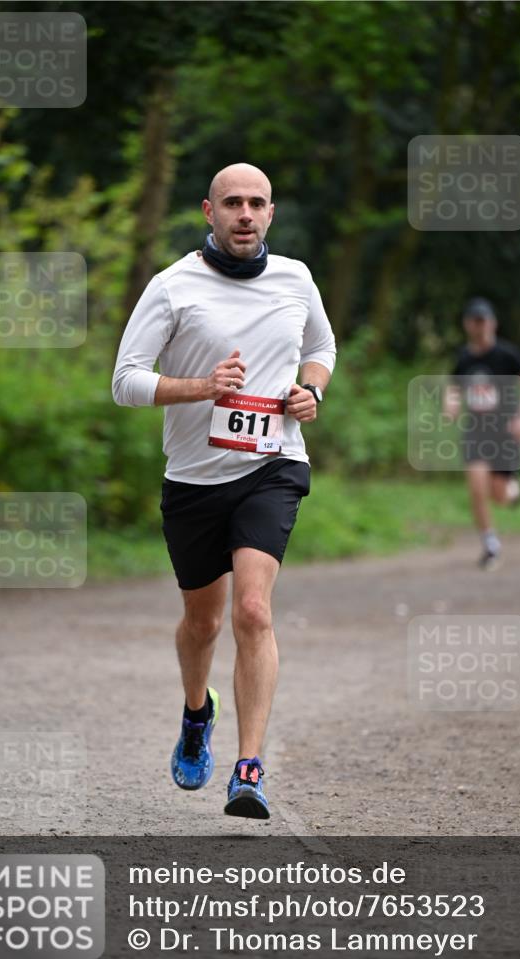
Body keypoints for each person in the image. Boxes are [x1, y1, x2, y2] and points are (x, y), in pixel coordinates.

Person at [112, 163, 335, 819]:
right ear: (209, 212)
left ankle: (249, 768)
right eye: (232, 202)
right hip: (193, 479)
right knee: (203, 622)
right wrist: (201, 388)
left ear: (270, 214)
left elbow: (322, 346)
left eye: (256, 203)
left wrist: (310, 390)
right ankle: (195, 713)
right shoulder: (173, 286)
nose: (245, 213)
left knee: (253, 612)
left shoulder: (295, 278)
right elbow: (125, 380)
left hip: (273, 465)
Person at [448, 298, 520, 570]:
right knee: (476, 485)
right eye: (475, 321)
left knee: (499, 495)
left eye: (484, 321)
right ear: (467, 325)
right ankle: (490, 546)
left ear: (493, 323)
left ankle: (513, 491)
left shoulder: (507, 354)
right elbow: (453, 387)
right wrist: (451, 403)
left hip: (504, 432)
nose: (480, 327)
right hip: (476, 432)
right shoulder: (464, 358)